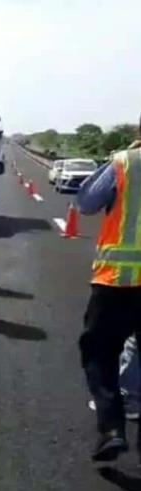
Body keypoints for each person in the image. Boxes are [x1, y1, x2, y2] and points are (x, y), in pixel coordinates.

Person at [76, 133, 141, 462]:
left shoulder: (125, 163)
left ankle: (112, 429)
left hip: (118, 282)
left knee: (99, 355)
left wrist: (119, 157)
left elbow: (86, 203)